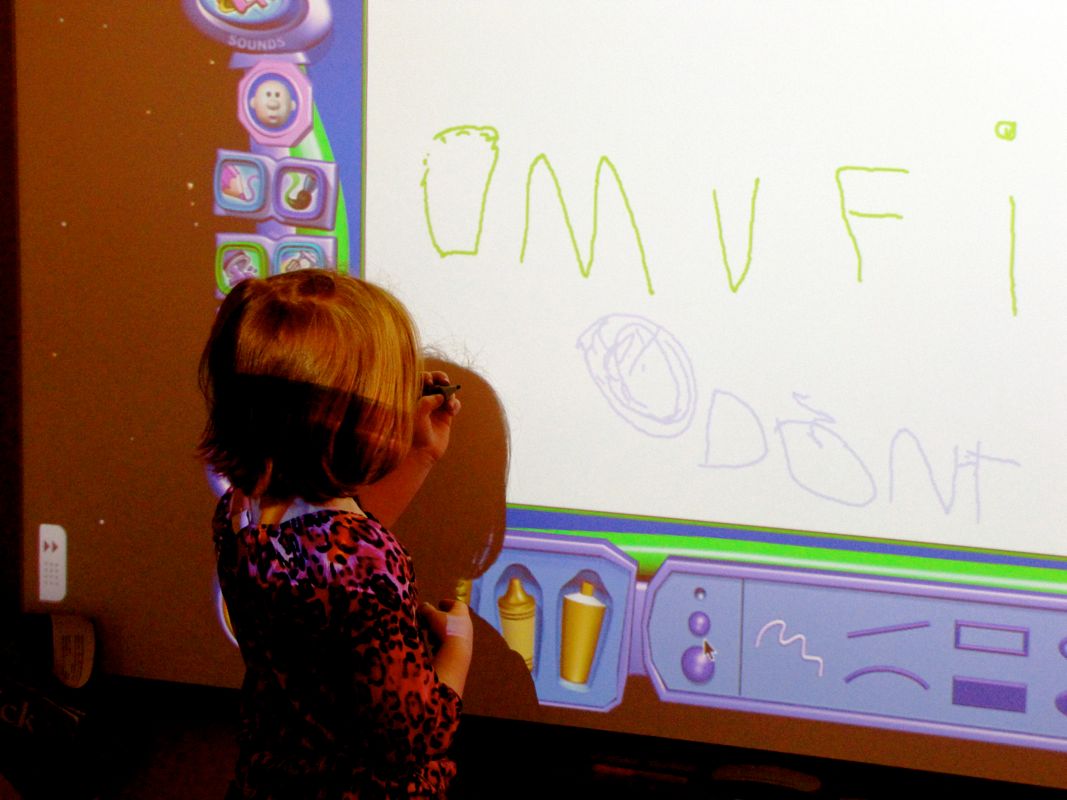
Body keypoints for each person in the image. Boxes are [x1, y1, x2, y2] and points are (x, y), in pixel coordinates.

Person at [198, 269, 473, 799]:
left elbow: (341, 541)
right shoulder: (364, 561)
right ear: (346, 422)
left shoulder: (241, 512)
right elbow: (410, 736)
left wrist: (420, 454)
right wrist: (459, 646)